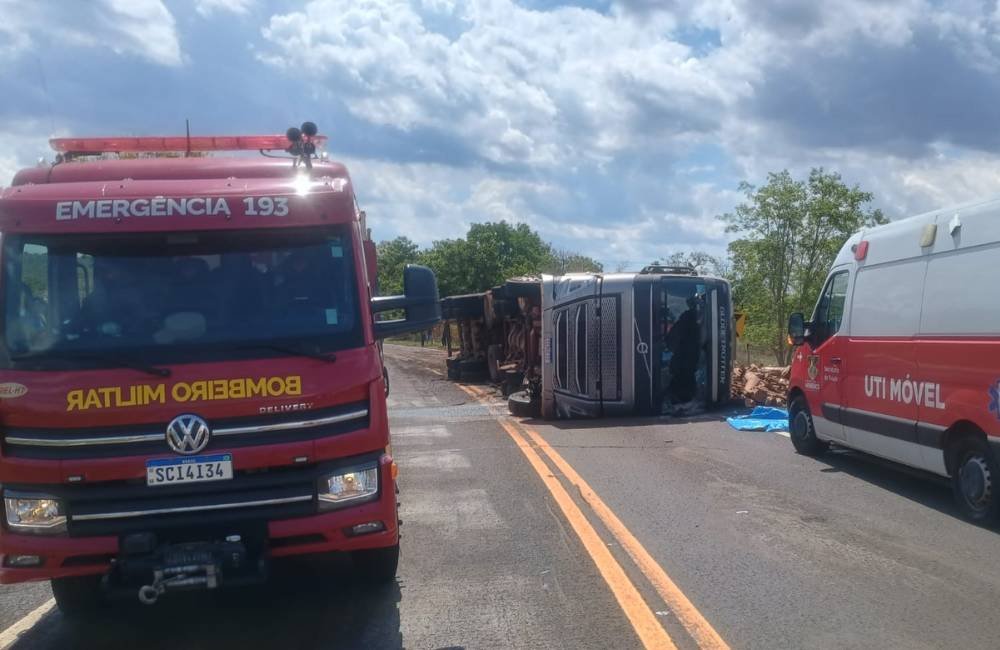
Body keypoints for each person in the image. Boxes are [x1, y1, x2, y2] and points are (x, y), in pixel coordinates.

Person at [665, 294, 701, 402]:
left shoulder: (688, 317)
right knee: (685, 377)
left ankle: (681, 397)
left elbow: (674, 335)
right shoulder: (695, 317)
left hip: (685, 357)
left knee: (683, 377)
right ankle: (683, 397)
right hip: (689, 356)